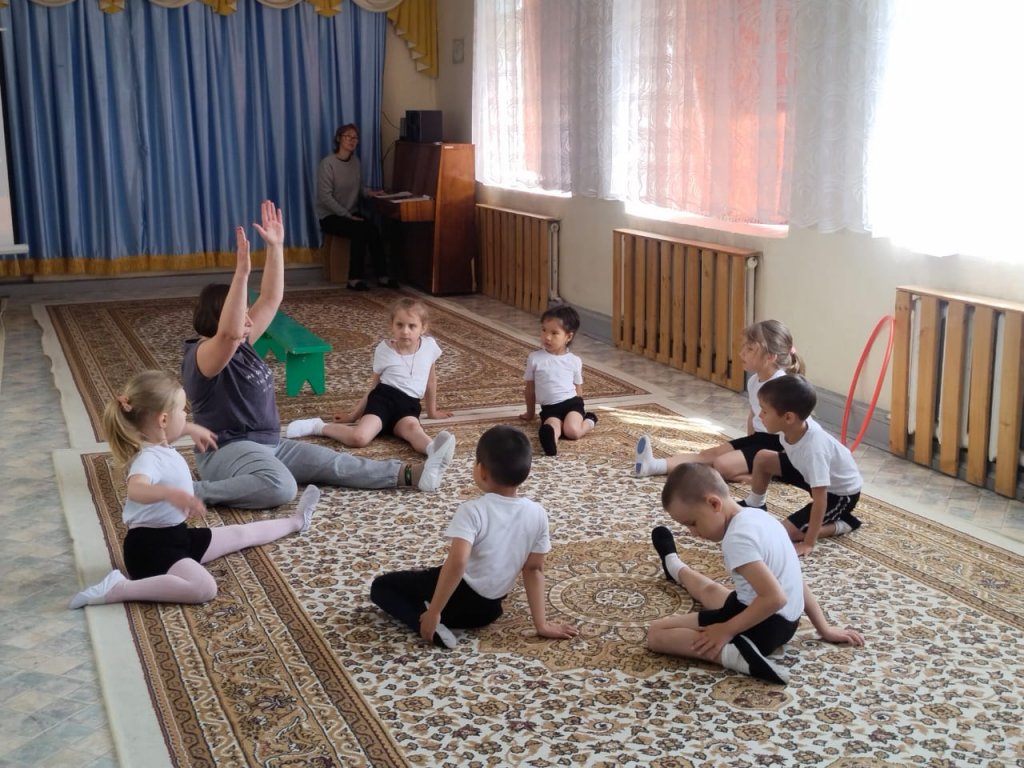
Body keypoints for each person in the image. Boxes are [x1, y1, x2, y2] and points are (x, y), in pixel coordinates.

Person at [181, 201, 456, 511]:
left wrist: (275, 247)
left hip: (268, 444)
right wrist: (241, 274)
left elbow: (271, 298)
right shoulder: (203, 355)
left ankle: (413, 474)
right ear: (220, 318)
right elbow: (229, 334)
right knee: (281, 486)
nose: (248, 318)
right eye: (241, 311)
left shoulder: (241, 342)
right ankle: (192, 490)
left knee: (334, 463)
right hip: (225, 451)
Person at [69, 370, 321, 609]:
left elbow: (169, 433)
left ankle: (297, 521)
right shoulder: (147, 458)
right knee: (204, 588)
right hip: (149, 550)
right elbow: (136, 490)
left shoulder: (159, 443)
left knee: (239, 534)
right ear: (163, 420)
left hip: (176, 537)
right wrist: (171, 494)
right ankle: (119, 588)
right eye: (182, 410)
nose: (186, 414)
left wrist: (189, 429)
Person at [647, 463, 864, 684]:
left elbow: (775, 598)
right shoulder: (760, 517)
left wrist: (726, 630)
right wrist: (824, 629)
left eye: (692, 523)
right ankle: (673, 564)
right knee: (712, 591)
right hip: (786, 623)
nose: (693, 533)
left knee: (657, 633)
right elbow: (795, 580)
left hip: (761, 628)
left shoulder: (737, 539)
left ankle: (737, 656)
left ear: (714, 503)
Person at [369, 426, 578, 649]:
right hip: (488, 611)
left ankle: (431, 622)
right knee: (425, 576)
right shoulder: (537, 513)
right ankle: (433, 607)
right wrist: (542, 625)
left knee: (382, 587)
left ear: (481, 470)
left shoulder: (473, 510)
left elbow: (457, 563)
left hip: (456, 600)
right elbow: (534, 570)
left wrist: (435, 612)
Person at [634, 319, 805, 482]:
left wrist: (784, 458)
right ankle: (654, 465)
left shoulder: (782, 386)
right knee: (708, 455)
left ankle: (760, 473)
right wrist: (747, 445)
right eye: (744, 347)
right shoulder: (754, 381)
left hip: (778, 446)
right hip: (759, 439)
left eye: (750, 349)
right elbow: (753, 415)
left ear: (770, 357)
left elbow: (796, 426)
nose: (741, 353)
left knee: (721, 464)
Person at [285, 298, 452, 455]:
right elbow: (374, 386)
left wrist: (432, 412)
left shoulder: (429, 347)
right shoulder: (384, 350)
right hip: (382, 401)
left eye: (412, 326)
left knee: (414, 430)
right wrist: (353, 415)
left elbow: (431, 381)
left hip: (409, 406)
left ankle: (434, 451)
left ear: (423, 328)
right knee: (359, 438)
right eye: (400, 325)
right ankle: (318, 426)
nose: (405, 331)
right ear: (392, 326)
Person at [740, 374, 863, 556]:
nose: (759, 415)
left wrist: (808, 543)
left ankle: (845, 523)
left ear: (788, 417)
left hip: (838, 494)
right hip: (807, 472)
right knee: (763, 458)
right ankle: (755, 504)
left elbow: (821, 500)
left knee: (789, 533)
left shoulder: (814, 450)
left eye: (764, 411)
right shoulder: (793, 427)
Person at [315, 123, 395, 290]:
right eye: (348, 137)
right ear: (339, 139)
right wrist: (347, 215)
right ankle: (354, 279)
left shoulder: (355, 162)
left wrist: (370, 193)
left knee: (373, 229)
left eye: (355, 138)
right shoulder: (328, 164)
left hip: (351, 213)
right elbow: (325, 197)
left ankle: (383, 276)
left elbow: (358, 187)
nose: (352, 140)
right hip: (330, 216)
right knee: (359, 230)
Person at [519, 305, 598, 456]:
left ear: (568, 337)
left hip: (572, 404)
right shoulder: (535, 358)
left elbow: (578, 388)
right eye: (544, 330)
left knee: (572, 431)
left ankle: (590, 420)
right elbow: (530, 388)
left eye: (554, 333)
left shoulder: (574, 360)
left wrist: (580, 408)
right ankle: (550, 443)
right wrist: (530, 413)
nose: (547, 337)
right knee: (552, 426)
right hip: (550, 408)